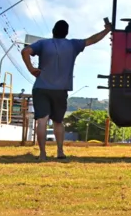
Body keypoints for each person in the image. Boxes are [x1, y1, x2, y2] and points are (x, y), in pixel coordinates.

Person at [21, 19, 112, 161]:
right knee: (58, 121)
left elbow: (25, 51)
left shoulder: (43, 44)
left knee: (42, 121)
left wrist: (31, 69)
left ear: (53, 31)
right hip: (61, 89)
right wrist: (107, 30)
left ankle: (43, 154)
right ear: (66, 33)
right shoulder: (73, 44)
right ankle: (60, 151)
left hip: (41, 87)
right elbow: (92, 40)